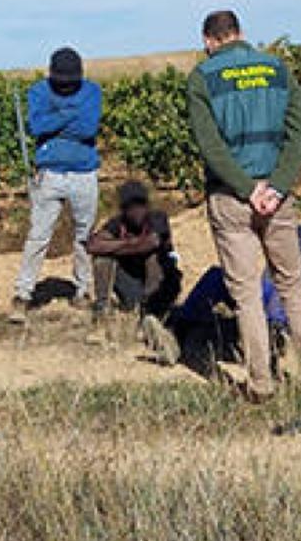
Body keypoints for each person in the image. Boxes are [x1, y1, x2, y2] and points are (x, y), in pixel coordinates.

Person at [186, 10, 301, 401]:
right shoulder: (278, 69)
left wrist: (248, 189)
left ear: (209, 40)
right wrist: (276, 187)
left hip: (231, 198)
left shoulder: (203, 78)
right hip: (278, 200)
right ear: (241, 33)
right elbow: (300, 137)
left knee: (246, 294)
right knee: (292, 285)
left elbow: (210, 146)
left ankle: (261, 383)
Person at [142, 206, 301, 373]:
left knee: (218, 280)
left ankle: (182, 332)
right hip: (272, 298)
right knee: (217, 277)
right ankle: (179, 332)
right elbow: (283, 278)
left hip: (276, 304)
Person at [12, 47, 102, 323]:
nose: (66, 88)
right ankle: (23, 293)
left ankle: (83, 290)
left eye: (70, 83)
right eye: (61, 83)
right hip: (49, 174)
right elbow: (37, 127)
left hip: (84, 174)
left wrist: (56, 118)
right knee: (38, 235)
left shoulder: (92, 91)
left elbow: (88, 129)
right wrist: (71, 114)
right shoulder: (38, 92)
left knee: (85, 236)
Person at [84, 181, 181, 344]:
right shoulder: (117, 223)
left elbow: (152, 243)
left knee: (153, 257)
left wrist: (115, 246)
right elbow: (93, 245)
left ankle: (151, 315)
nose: (137, 211)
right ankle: (102, 317)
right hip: (132, 284)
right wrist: (130, 244)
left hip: (161, 287)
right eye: (131, 206)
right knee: (102, 259)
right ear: (124, 209)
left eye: (141, 205)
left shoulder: (157, 218)